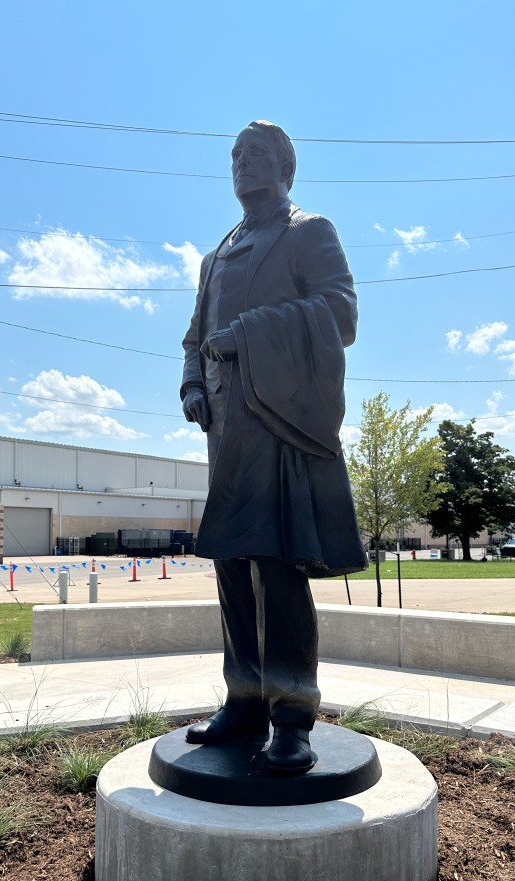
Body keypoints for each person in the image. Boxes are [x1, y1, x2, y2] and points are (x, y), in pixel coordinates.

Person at [179, 120, 366, 773]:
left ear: (286, 168)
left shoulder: (308, 231)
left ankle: (291, 717)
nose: (242, 162)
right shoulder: (215, 257)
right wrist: (192, 385)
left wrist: (248, 335)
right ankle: (244, 702)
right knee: (231, 562)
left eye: (256, 153)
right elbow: (193, 337)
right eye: (235, 154)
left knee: (276, 566)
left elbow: (339, 313)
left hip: (280, 423)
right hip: (225, 429)